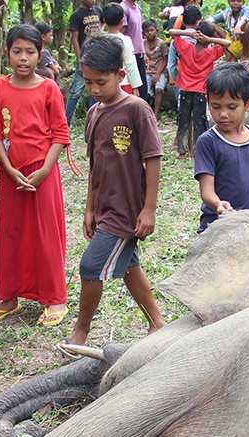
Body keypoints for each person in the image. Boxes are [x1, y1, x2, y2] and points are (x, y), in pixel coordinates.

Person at [60, 35, 165, 354]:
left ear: (121, 76)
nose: (93, 89)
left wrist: (149, 209)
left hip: (127, 209)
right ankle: (158, 323)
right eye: (87, 81)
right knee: (129, 265)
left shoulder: (137, 110)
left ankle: (81, 330)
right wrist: (89, 209)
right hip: (105, 208)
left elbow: (153, 159)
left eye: (100, 82)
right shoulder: (93, 114)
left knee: (91, 267)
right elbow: (95, 165)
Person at [0, 25, 70, 327]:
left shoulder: (49, 88)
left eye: (30, 52)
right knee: (11, 234)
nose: (23, 58)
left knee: (46, 234)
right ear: (7, 52)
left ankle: (55, 299)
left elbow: (60, 133)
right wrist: (7, 168)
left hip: (42, 172)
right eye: (17, 51)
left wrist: (45, 170)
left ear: (40, 54)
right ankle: (8, 297)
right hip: (11, 173)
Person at [194, 63, 249, 234]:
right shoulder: (208, 142)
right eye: (216, 107)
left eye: (232, 107)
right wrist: (218, 204)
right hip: (218, 228)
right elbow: (207, 190)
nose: (223, 114)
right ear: (208, 102)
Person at [170, 9, 231, 157]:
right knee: (199, 120)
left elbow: (172, 32)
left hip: (185, 88)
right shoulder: (210, 53)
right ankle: (197, 151)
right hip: (201, 91)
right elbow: (227, 43)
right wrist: (209, 40)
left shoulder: (185, 47)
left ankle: (182, 151)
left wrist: (191, 34)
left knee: (184, 119)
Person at [65, 0, 103, 124]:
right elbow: (75, 40)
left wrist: (100, 33)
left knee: (95, 89)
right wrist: (80, 61)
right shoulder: (76, 15)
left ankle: (93, 119)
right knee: (77, 90)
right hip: (85, 57)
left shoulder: (98, 11)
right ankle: (66, 122)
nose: (93, 1)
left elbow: (103, 22)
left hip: (97, 56)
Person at [103, 3, 142, 95]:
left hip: (105, 83)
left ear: (105, 21)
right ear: (122, 21)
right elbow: (130, 64)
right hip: (123, 83)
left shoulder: (101, 40)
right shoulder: (125, 40)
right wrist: (135, 86)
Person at [120, 0, 149, 101]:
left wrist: (143, 52)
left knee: (143, 88)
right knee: (132, 88)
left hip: (139, 52)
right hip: (129, 54)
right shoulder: (123, 8)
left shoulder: (137, 7)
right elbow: (121, 32)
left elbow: (139, 33)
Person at [142, 20, 168, 117]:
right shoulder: (143, 43)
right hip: (147, 71)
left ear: (156, 31)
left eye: (152, 30)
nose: (150, 33)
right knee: (144, 91)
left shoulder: (161, 43)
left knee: (159, 89)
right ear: (143, 33)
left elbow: (165, 60)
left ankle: (155, 115)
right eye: (147, 31)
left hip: (159, 70)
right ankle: (145, 114)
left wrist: (158, 74)